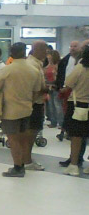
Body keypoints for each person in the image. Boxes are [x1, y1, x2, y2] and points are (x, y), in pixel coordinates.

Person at [0, 42, 43, 177]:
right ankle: (22, 163)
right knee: (23, 138)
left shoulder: (6, 70)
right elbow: (37, 91)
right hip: (27, 109)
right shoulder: (34, 70)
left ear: (11, 53)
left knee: (13, 139)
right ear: (25, 52)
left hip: (10, 110)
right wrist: (29, 102)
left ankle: (18, 167)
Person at [61, 44, 89, 176]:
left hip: (78, 105)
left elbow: (69, 84)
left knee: (76, 136)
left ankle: (73, 165)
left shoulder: (80, 68)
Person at [24, 41, 49, 171]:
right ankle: (26, 160)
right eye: (45, 50)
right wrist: (46, 89)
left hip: (35, 103)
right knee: (30, 133)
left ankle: (27, 158)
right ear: (37, 50)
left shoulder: (36, 64)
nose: (46, 52)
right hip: (34, 104)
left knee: (32, 132)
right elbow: (34, 87)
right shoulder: (32, 65)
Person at [56, 40, 82, 147]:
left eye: (75, 46)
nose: (72, 48)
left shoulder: (82, 61)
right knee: (66, 110)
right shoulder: (65, 61)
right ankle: (66, 130)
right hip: (67, 89)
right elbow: (60, 74)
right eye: (71, 46)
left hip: (79, 90)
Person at [45, 49, 61, 128]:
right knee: (51, 106)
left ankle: (61, 123)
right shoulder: (48, 66)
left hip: (55, 87)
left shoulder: (57, 66)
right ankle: (53, 121)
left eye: (50, 58)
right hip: (49, 87)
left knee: (57, 106)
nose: (49, 60)